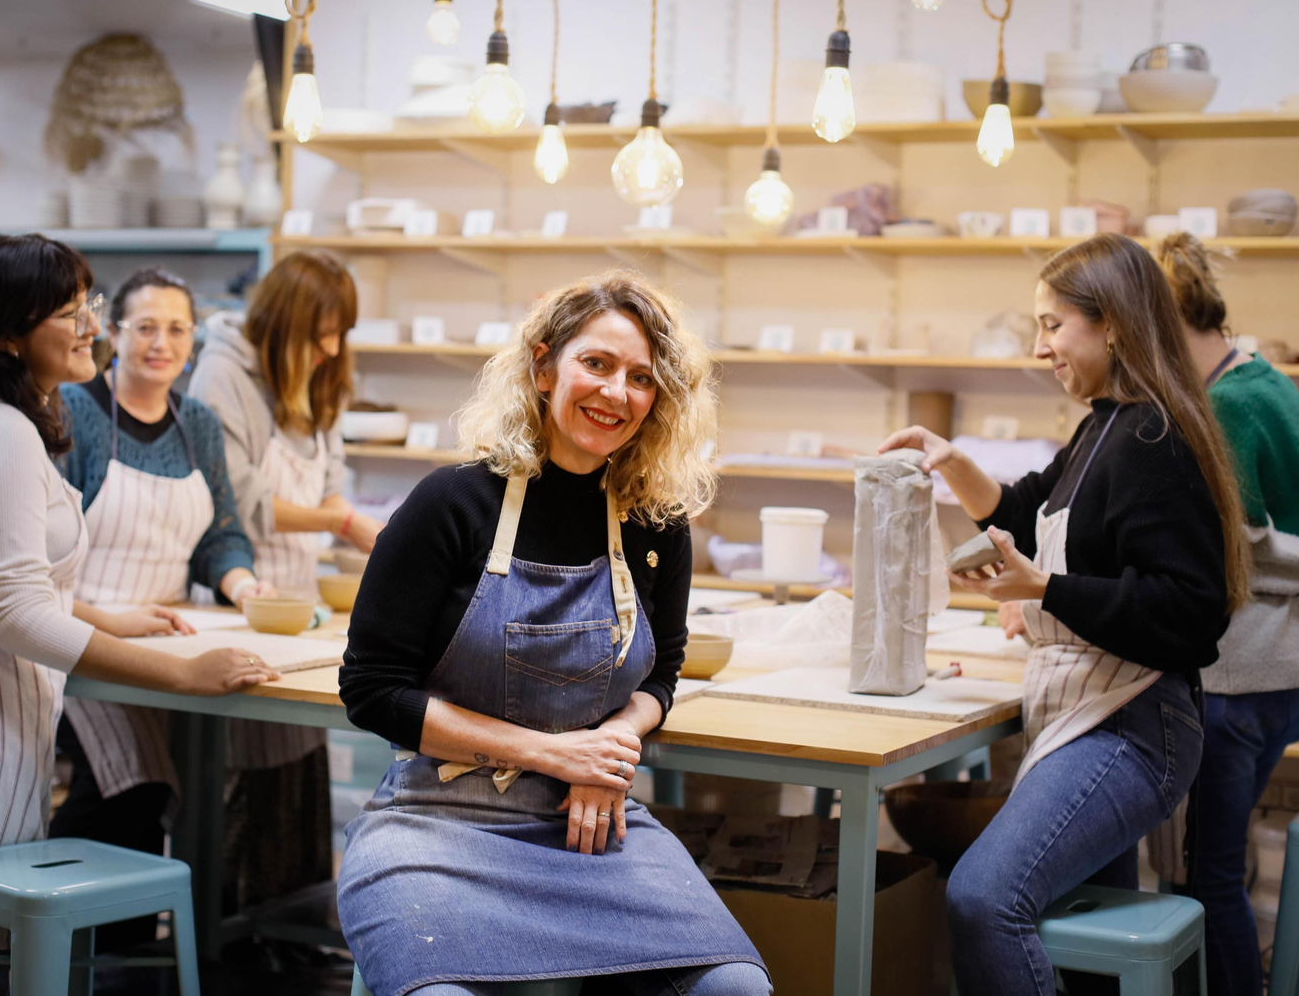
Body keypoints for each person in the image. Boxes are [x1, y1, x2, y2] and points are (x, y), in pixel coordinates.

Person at [0, 234, 276, 995]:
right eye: (72, 310)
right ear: (7, 331)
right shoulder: (2, 430)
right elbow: (15, 614)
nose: (94, 326)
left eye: (93, 306)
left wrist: (107, 619)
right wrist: (185, 673)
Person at [337, 271, 770, 996]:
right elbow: (372, 692)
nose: (615, 393)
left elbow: (662, 677)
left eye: (640, 378)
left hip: (588, 827)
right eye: (595, 364)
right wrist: (557, 755)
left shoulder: (654, 523)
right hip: (437, 826)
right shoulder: (451, 504)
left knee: (735, 989)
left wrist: (611, 752)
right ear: (544, 367)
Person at [879, 232, 1250, 996]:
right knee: (1074, 954)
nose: (1040, 345)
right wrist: (951, 462)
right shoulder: (1105, 423)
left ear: (1110, 323)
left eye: (1052, 325)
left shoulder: (1153, 436)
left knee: (984, 900)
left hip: (1135, 724)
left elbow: (1190, 614)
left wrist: (1041, 589)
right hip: (1087, 709)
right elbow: (1023, 508)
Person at [1154, 232, 1299, 996]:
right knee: (1221, 863)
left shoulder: (1227, 406)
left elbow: (1229, 544)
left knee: (1208, 876)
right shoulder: (1265, 378)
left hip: (1249, 672)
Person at [51, 267, 275, 942]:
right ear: (113, 334)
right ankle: (76, 942)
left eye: (177, 328)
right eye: (145, 326)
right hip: (78, 637)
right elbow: (44, 557)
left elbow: (222, 536)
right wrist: (103, 620)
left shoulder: (196, 424)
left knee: (163, 791)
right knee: (131, 787)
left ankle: (129, 946)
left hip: (169, 633)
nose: (162, 342)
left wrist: (244, 587)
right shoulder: (72, 412)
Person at [188, 249, 375, 913]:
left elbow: (330, 482)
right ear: (282, 323)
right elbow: (239, 501)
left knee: (298, 762)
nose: (330, 348)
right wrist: (344, 522)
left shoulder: (322, 377)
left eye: (340, 332)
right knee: (247, 763)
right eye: (320, 332)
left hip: (299, 599)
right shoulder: (223, 376)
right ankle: (238, 935)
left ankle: (290, 930)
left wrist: (338, 517)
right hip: (239, 595)